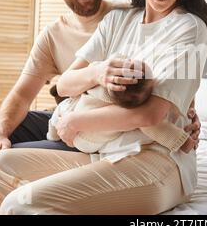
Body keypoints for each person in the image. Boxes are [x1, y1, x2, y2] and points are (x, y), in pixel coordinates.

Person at [0, 0, 207, 215]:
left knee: (18, 204)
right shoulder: (118, 21)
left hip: (157, 162)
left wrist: (76, 122)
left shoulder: (189, 27)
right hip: (106, 153)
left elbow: (150, 115)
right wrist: (98, 72)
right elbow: (66, 83)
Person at [47, 60, 194, 155]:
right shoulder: (136, 107)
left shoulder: (100, 89)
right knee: (130, 129)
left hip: (74, 123)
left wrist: (95, 69)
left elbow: (70, 87)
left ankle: (52, 135)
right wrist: (183, 142)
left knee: (62, 108)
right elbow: (158, 128)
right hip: (92, 144)